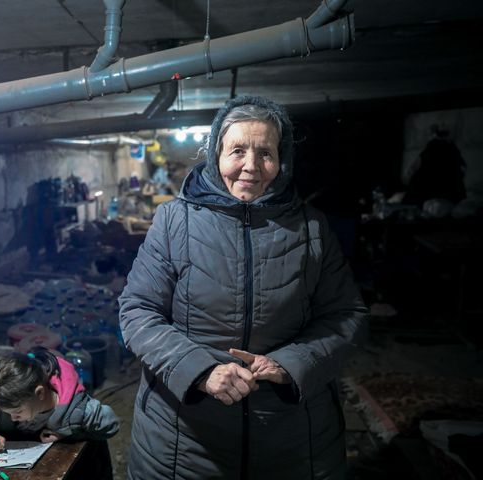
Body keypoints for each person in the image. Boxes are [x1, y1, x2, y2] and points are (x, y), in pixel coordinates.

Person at [118, 95, 368, 479]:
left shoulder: (312, 227)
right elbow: (138, 309)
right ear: (216, 154)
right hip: (183, 440)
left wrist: (291, 364)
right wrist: (199, 370)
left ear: (281, 160)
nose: (251, 166)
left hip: (291, 439)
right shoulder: (174, 221)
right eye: (238, 150)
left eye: (265, 153)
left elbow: (347, 316)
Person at [0, 347, 119, 477]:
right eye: (7, 413)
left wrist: (71, 433)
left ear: (39, 393)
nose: (12, 418)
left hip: (84, 470)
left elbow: (111, 425)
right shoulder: (8, 403)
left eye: (18, 412)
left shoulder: (78, 410)